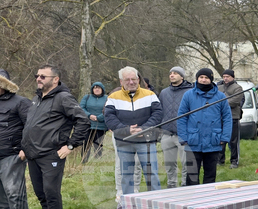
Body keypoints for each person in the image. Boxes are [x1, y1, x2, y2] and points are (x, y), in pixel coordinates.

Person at [19, 64, 89, 209]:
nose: (38, 79)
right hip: (33, 154)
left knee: (51, 191)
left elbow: (83, 120)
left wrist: (71, 145)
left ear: (55, 79)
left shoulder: (63, 98)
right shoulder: (37, 99)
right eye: (37, 75)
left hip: (52, 154)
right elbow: (31, 127)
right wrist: (25, 148)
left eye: (43, 76)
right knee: (41, 192)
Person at [104, 66, 163, 196]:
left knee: (151, 173)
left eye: (134, 79)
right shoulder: (113, 97)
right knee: (126, 175)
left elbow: (158, 114)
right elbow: (109, 117)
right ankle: (128, 204)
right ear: (121, 82)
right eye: (127, 80)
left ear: (138, 79)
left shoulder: (150, 95)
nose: (131, 82)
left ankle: (156, 202)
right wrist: (126, 130)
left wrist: (144, 128)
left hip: (146, 140)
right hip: (124, 141)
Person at [176, 68, 231, 186]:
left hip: (213, 141)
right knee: (191, 175)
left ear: (211, 79)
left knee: (210, 175)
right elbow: (181, 117)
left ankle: (208, 199)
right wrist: (183, 137)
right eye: (201, 77)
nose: (203, 80)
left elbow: (227, 118)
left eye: (206, 78)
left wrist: (224, 137)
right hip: (193, 141)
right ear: (197, 79)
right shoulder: (188, 95)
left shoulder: (220, 96)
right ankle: (190, 198)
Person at [0, 69, 32, 209]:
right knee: (1, 194)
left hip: (12, 154)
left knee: (14, 191)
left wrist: (25, 148)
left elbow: (32, 126)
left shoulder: (20, 102)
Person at [158, 67, 194, 187]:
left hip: (184, 134)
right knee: (169, 163)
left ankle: (185, 186)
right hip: (167, 133)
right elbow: (160, 111)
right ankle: (171, 185)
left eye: (175, 73)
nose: (172, 75)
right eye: (171, 73)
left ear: (182, 76)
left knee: (186, 163)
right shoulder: (164, 93)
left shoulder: (190, 92)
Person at [219, 69, 244, 169]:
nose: (225, 78)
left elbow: (235, 101)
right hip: (219, 117)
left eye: (227, 76)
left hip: (233, 116)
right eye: (224, 76)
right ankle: (220, 160)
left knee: (233, 141)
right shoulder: (218, 87)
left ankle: (234, 161)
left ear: (232, 77)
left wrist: (221, 103)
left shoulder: (238, 88)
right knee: (220, 140)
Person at [78, 81, 108, 162]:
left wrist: (99, 118)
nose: (96, 89)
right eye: (95, 88)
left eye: (98, 88)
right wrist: (89, 115)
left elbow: (108, 109)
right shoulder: (87, 97)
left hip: (101, 126)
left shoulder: (107, 98)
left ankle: (97, 163)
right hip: (88, 125)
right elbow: (81, 108)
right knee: (86, 145)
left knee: (98, 146)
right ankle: (84, 162)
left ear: (102, 89)